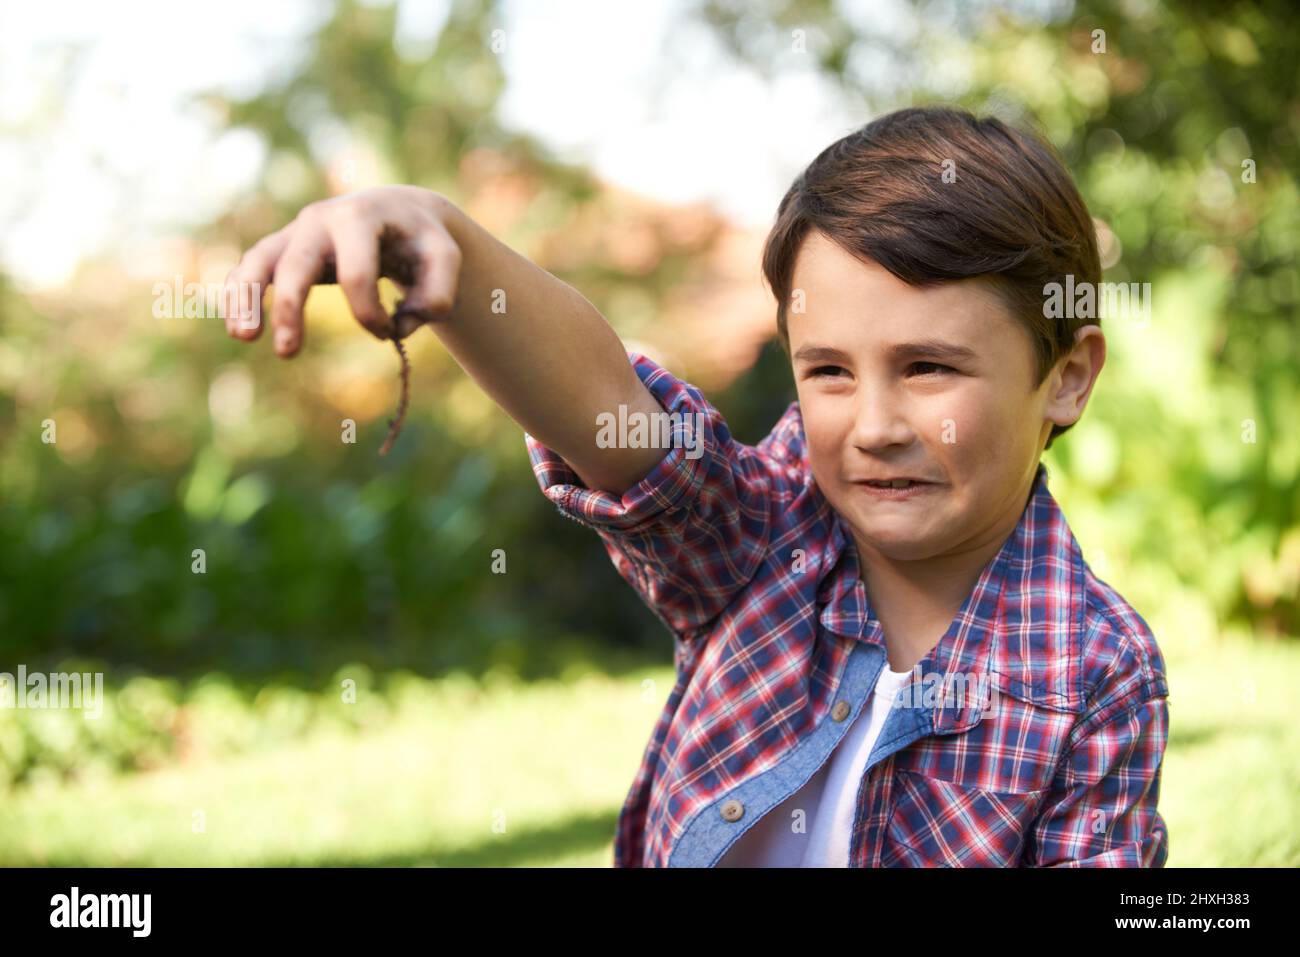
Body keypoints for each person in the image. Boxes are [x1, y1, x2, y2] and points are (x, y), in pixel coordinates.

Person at [220, 105, 1170, 868]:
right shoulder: (761, 537)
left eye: (928, 367)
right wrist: (444, 244)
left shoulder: (1096, 669)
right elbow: (610, 410)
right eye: (829, 371)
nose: (874, 424)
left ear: (1068, 374)